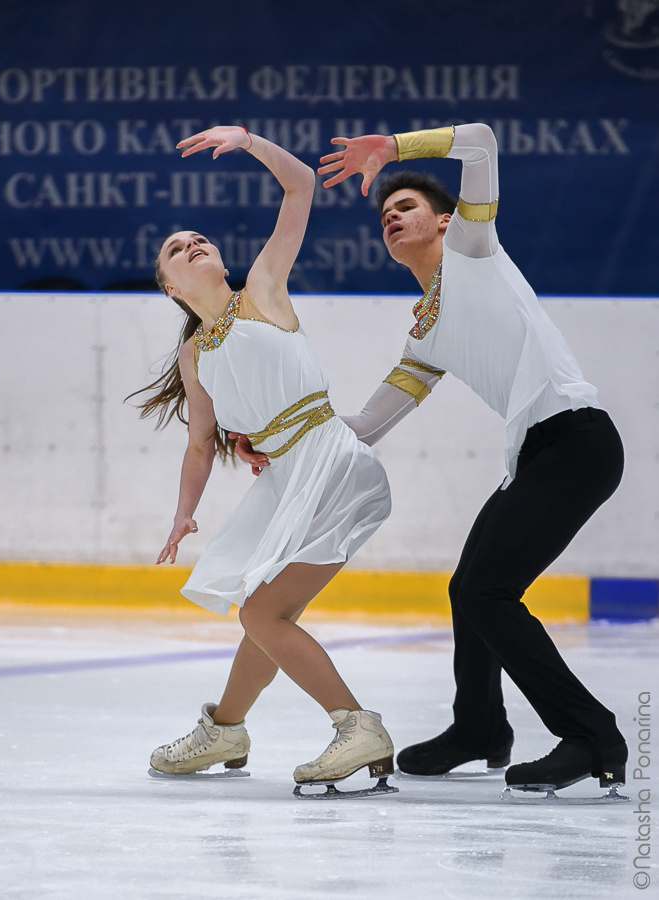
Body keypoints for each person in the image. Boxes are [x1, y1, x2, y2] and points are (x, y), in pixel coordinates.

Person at [310, 121, 627, 795]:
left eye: (406, 208)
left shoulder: (472, 248)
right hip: (537, 454)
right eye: (386, 215)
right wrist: (282, 433)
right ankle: (478, 727)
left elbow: (480, 140)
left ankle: (590, 734)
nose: (392, 217)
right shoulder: (424, 331)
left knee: (488, 591)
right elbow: (364, 425)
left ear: (444, 220)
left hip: (577, 440)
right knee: (469, 590)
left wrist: (389, 150)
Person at [128, 124, 395, 796]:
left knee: (259, 615)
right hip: (287, 477)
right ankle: (226, 727)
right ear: (169, 286)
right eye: (176, 250)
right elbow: (199, 443)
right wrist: (184, 515)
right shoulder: (196, 355)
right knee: (263, 608)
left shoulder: (262, 291)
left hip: (330, 463)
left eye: (199, 240)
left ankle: (356, 725)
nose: (193, 246)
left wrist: (247, 141)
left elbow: (300, 183)